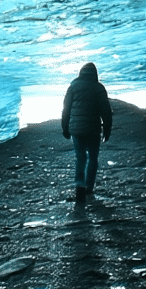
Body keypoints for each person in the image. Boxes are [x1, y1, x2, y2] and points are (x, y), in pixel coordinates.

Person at [60, 62, 113, 203]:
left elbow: (66, 109)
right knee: (93, 158)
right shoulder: (99, 88)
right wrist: (107, 130)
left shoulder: (73, 87)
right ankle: (89, 187)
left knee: (80, 157)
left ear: (80, 73)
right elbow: (106, 111)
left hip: (76, 129)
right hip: (94, 129)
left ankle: (79, 185)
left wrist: (65, 128)